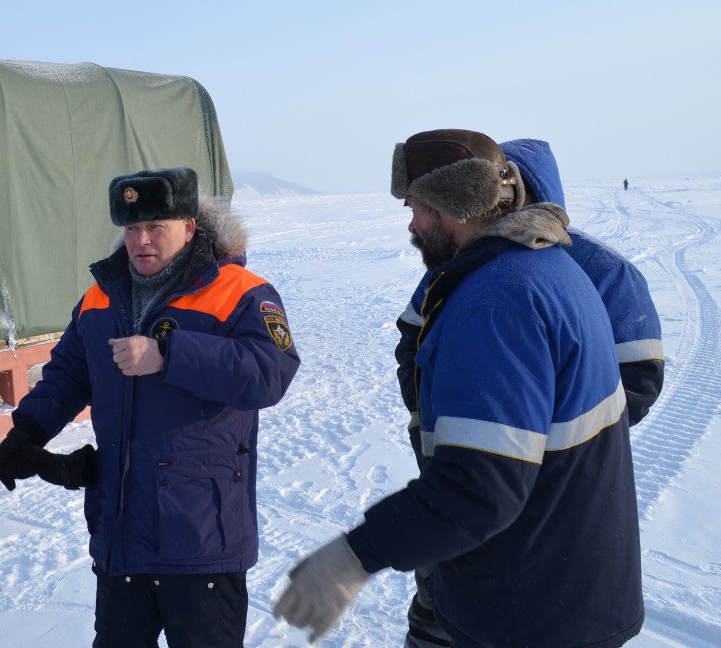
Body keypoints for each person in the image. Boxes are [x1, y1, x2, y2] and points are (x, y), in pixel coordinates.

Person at [274, 130, 642, 648]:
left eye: (416, 207)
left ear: (453, 205)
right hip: (567, 594)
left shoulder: (497, 302)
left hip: (527, 612)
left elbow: (479, 489)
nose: (410, 224)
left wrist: (354, 556)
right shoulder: (548, 266)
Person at [0, 167, 301, 648]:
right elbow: (69, 374)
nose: (141, 240)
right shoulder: (101, 296)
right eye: (133, 228)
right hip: (121, 535)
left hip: (201, 542)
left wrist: (171, 355)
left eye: (156, 226)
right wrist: (27, 430)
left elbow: (270, 373)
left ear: (189, 226)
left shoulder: (240, 292)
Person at [393, 138, 664, 646]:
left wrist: (556, 438)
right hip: (478, 518)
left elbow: (640, 374)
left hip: (538, 537)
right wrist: (439, 416)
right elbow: (413, 344)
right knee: (437, 608)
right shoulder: (463, 271)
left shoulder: (595, 271)